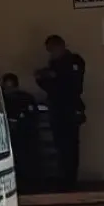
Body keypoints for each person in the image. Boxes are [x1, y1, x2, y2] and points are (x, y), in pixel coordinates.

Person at [35, 35, 85, 191]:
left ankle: (70, 180)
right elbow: (47, 82)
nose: (51, 54)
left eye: (53, 50)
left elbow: (72, 84)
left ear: (61, 47)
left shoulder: (74, 60)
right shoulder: (53, 64)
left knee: (70, 145)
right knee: (60, 145)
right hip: (57, 108)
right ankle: (63, 178)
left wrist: (53, 76)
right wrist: (49, 77)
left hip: (70, 107)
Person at [1, 73, 42, 192]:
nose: (9, 90)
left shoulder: (26, 98)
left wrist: (19, 122)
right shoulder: (1, 100)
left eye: (11, 87)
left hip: (25, 136)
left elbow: (33, 116)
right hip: (7, 138)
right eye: (6, 87)